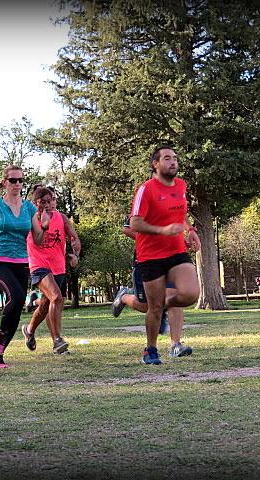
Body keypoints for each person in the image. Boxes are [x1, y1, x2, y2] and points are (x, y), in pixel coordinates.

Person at [129, 145, 201, 365]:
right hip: (150, 255)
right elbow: (134, 223)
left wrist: (190, 231)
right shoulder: (146, 189)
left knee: (191, 294)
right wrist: (162, 230)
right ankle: (150, 350)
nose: (173, 162)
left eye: (175, 159)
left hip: (176, 250)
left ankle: (163, 303)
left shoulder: (181, 185)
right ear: (156, 164)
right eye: (167, 158)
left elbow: (180, 214)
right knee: (154, 308)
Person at [0, 165, 50, 368]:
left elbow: (38, 239)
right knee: (16, 297)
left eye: (20, 180)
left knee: (16, 308)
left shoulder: (29, 208)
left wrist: (44, 225)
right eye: (13, 180)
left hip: (22, 263)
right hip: (1, 262)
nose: (17, 184)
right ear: (5, 182)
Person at [111, 217, 193, 358]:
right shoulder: (144, 198)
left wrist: (189, 233)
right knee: (147, 306)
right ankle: (124, 297)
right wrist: (157, 241)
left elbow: (181, 217)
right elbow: (127, 229)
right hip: (147, 259)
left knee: (176, 298)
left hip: (172, 258)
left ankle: (175, 345)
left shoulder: (175, 200)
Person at [21, 186, 81, 355]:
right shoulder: (30, 219)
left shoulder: (61, 218)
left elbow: (74, 237)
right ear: (35, 203)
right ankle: (57, 341)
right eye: (43, 202)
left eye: (51, 200)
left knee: (48, 305)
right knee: (57, 297)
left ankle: (29, 330)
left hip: (58, 267)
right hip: (39, 265)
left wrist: (75, 254)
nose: (48, 205)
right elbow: (37, 242)